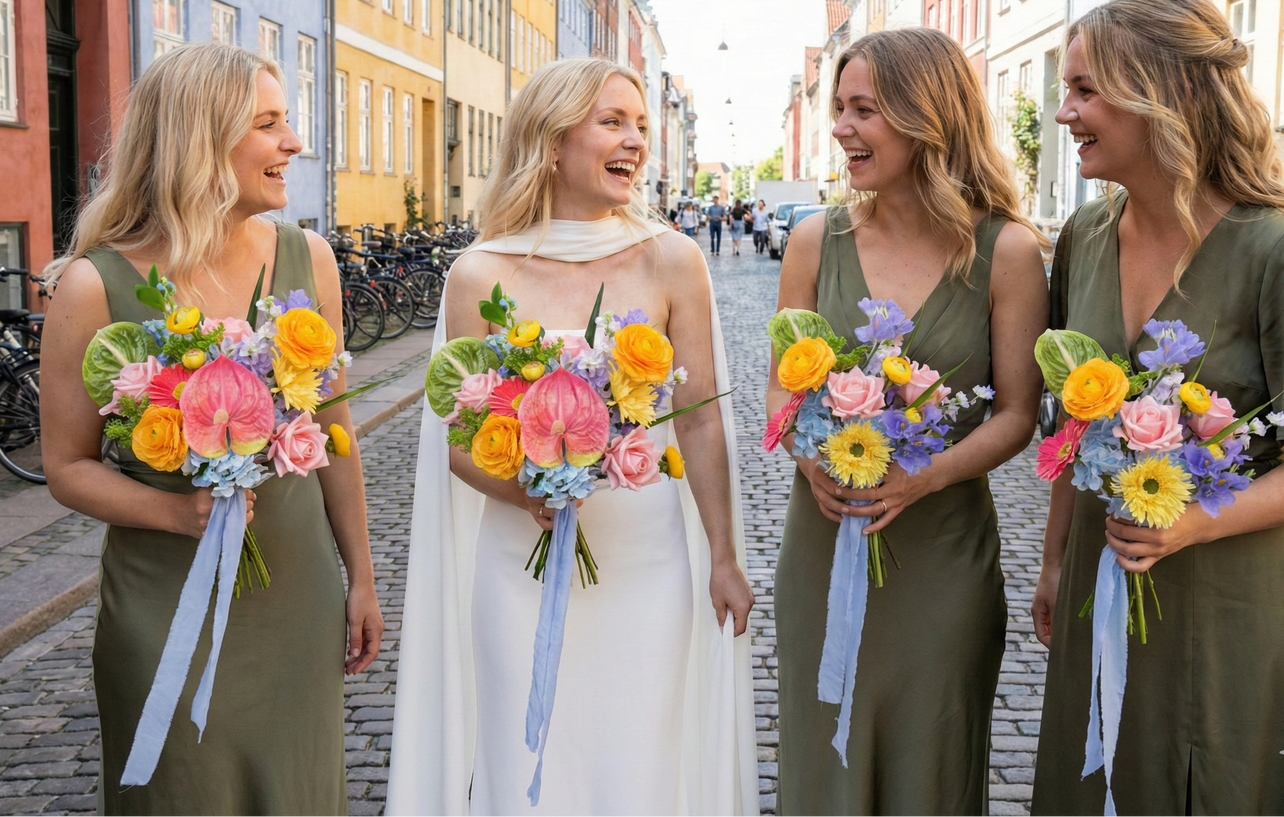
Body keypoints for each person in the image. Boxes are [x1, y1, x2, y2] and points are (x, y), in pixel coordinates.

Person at [386, 57, 758, 817]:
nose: (635, 142)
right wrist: (523, 488)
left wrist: (722, 554)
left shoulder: (673, 260)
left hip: (647, 562)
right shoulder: (477, 274)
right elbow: (458, 440)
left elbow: (699, 417)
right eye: (612, 122)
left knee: (635, 762)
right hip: (514, 566)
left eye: (642, 127)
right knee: (523, 757)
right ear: (552, 141)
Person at [1030, 0, 1284, 814]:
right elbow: (1077, 430)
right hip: (1099, 579)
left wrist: (1197, 519)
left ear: (1161, 92)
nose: (1062, 112)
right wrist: (1051, 560)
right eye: (1064, 90)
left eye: (1084, 91)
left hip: (1235, 600)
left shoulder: (1279, 248)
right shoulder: (1082, 238)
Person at [38, 43, 382, 815]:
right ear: (200, 139)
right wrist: (173, 510)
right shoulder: (95, 284)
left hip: (296, 599)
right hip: (164, 606)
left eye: (286, 121)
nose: (292, 142)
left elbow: (334, 430)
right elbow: (66, 465)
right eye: (267, 124)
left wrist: (358, 576)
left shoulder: (310, 259)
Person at [768, 28, 1047, 815]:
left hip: (941, 554)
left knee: (931, 757)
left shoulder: (1008, 252)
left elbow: (1019, 414)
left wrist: (924, 474)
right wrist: (810, 457)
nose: (840, 128)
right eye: (838, 108)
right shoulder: (813, 241)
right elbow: (779, 397)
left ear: (926, 117)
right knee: (821, 755)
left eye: (863, 110)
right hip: (822, 543)